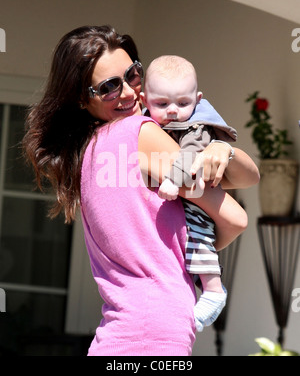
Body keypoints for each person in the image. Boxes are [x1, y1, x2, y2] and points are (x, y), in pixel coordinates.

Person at [22, 25, 260, 356]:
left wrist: (222, 155)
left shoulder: (88, 154)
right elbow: (235, 217)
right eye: (108, 87)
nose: (129, 92)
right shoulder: (138, 132)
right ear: (81, 99)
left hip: (126, 331)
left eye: (133, 74)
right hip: (155, 330)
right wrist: (222, 152)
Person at [140, 55, 246, 331]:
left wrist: (174, 181)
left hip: (195, 193)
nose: (173, 111)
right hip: (175, 201)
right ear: (144, 99)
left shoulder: (196, 126)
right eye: (162, 104)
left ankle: (213, 290)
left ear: (197, 99)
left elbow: (189, 155)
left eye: (183, 103)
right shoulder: (145, 125)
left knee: (200, 238)